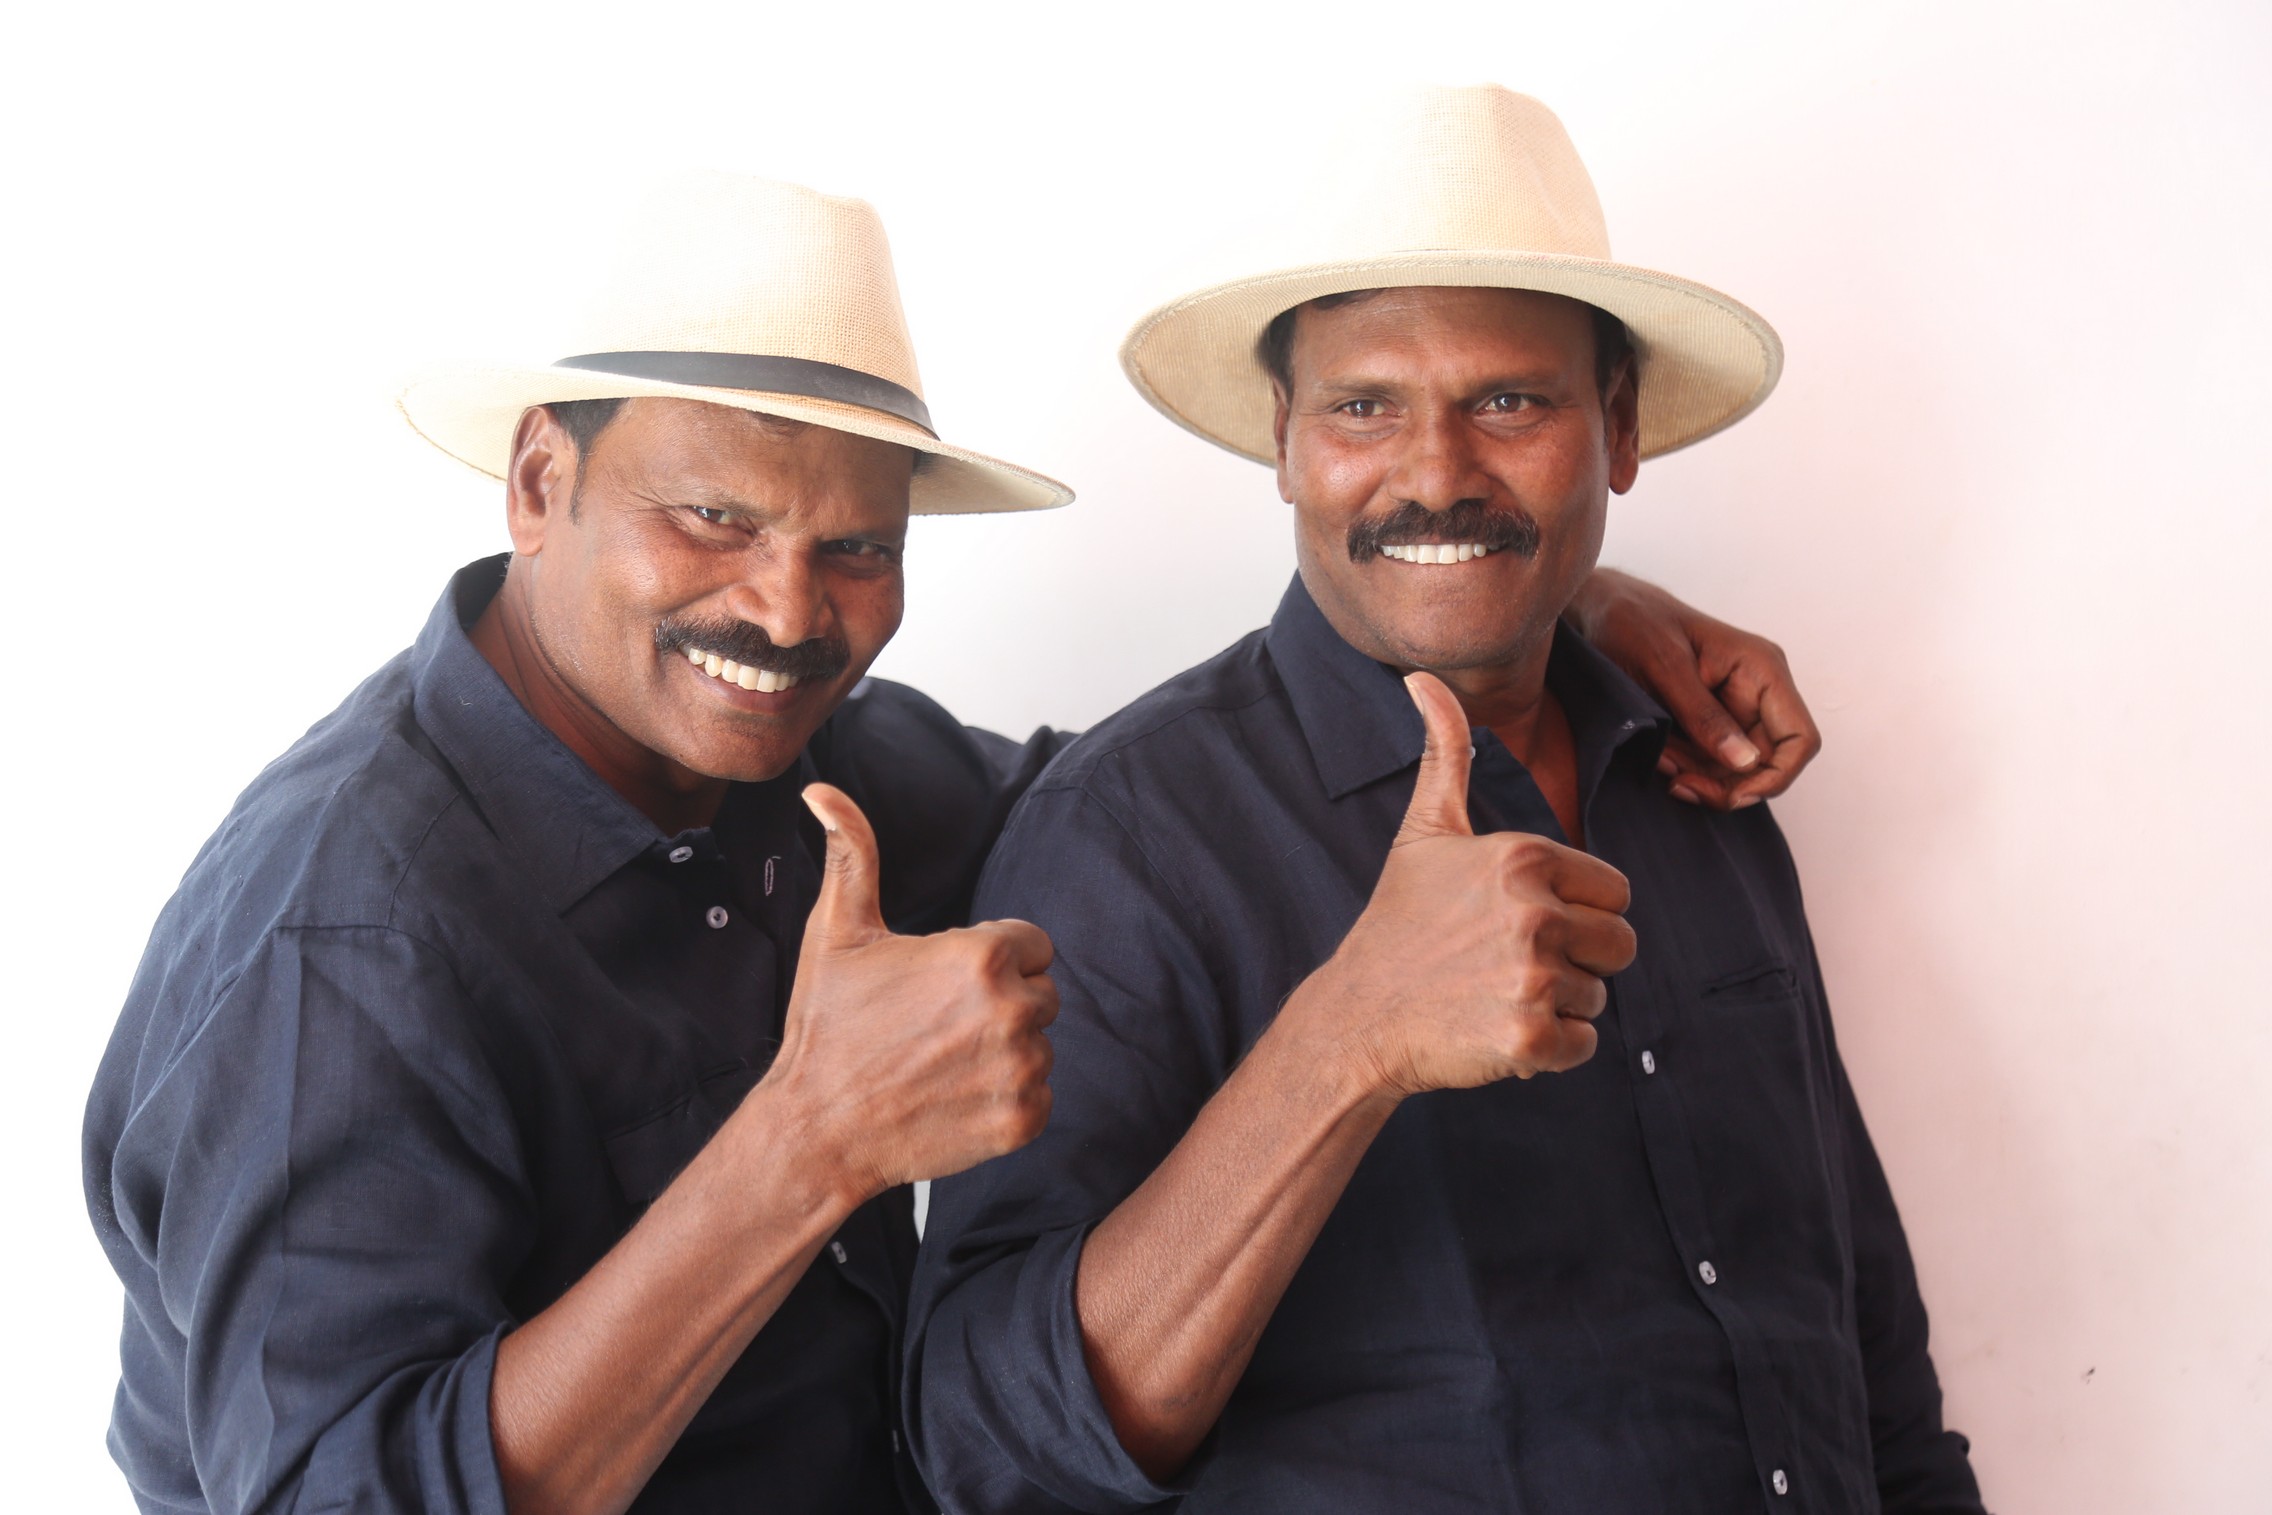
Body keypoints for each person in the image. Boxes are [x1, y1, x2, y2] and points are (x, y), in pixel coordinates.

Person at [84, 170, 1822, 1515]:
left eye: (859, 548)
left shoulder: (808, 757)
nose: (783, 609)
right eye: (712, 517)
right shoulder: (342, 933)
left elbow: (1175, 805)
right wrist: (806, 1148)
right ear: (540, 483)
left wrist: (1543, 593)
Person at [907, 86, 1984, 1514]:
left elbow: (1859, 1343)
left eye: (1511, 402)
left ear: (1618, 428)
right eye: (1364, 407)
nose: (1435, 473)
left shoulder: (1691, 777)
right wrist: (1346, 1045)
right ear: (1284, 438)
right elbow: (984, 1443)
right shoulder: (1133, 831)